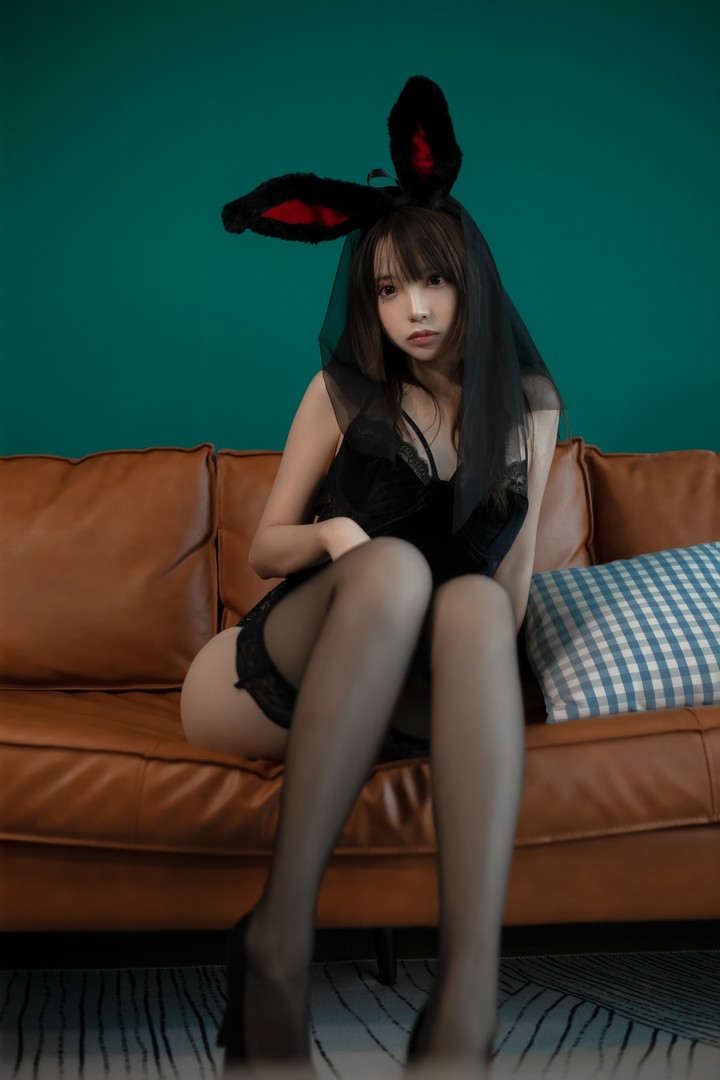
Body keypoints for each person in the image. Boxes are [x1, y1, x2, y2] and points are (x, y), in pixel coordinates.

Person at [180, 77, 563, 1075]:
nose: (414, 310)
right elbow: (264, 550)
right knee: (390, 568)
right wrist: (337, 540)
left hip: (420, 685)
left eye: (431, 283)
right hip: (268, 676)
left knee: (474, 602)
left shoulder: (529, 406)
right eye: (388, 290)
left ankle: (467, 996)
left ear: (472, 282)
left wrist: (481, 662)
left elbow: (514, 590)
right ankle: (280, 940)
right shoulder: (340, 392)